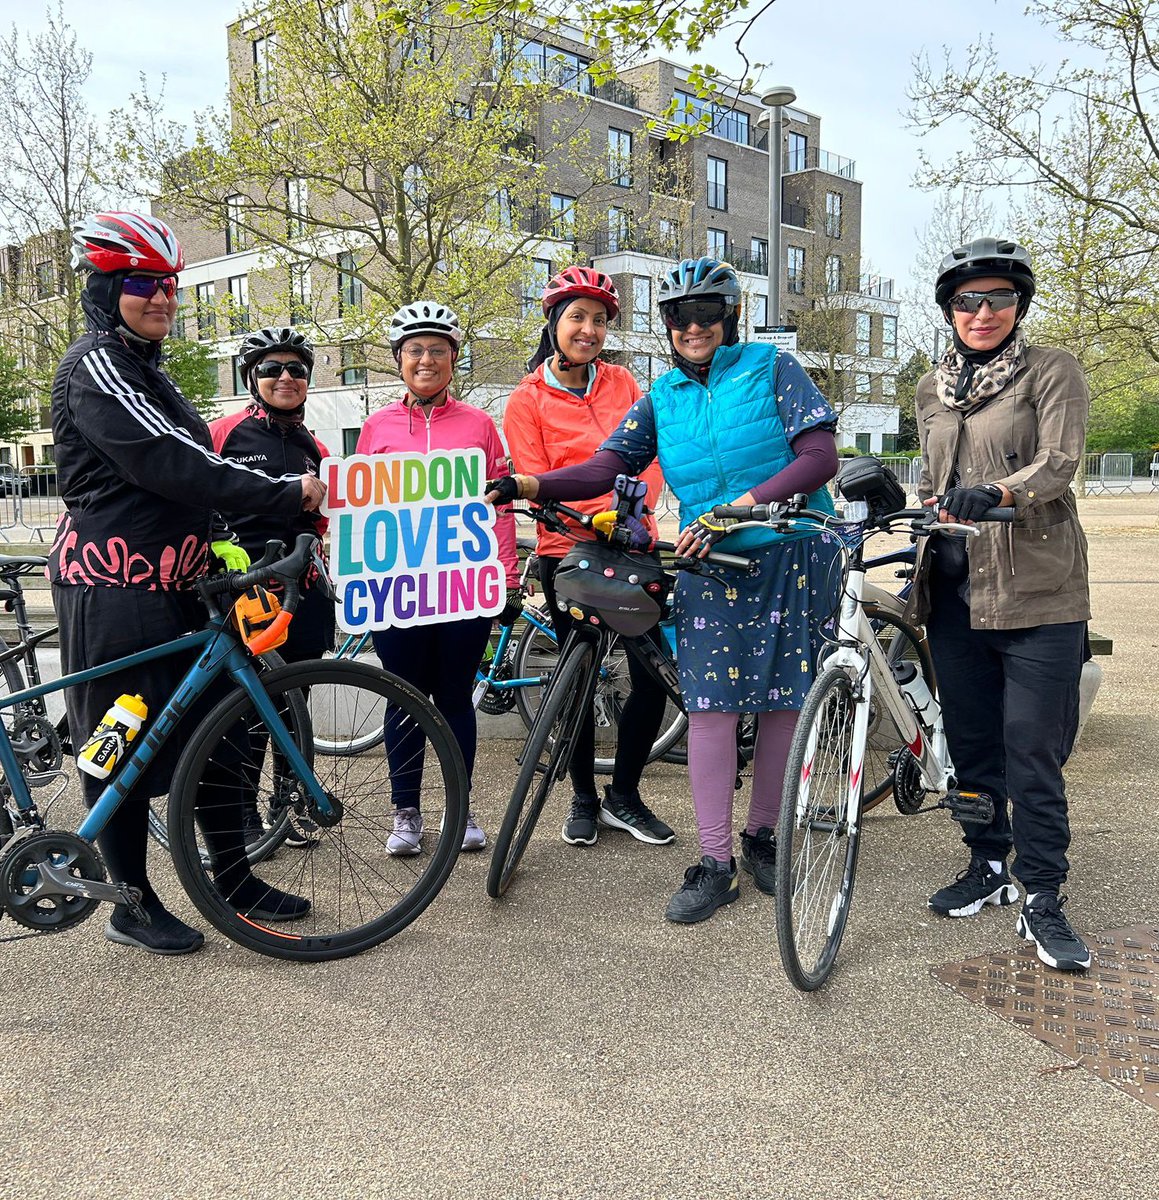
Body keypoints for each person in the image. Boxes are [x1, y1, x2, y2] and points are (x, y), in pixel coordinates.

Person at [487, 257, 841, 923]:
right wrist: (527, 485)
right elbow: (605, 465)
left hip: (792, 553)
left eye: (708, 313)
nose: (694, 326)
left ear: (728, 317)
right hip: (713, 562)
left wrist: (740, 506)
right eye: (679, 316)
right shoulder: (662, 397)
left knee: (780, 707)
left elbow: (818, 457)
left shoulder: (771, 368)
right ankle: (715, 864)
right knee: (709, 711)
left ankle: (761, 837)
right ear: (667, 325)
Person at [52, 211, 325, 954]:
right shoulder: (97, 365)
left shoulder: (148, 368)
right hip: (112, 585)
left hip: (178, 585)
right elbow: (172, 462)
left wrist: (233, 544)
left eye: (170, 285)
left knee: (227, 730)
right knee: (119, 743)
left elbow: (190, 487)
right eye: (143, 284)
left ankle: (231, 878)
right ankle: (128, 904)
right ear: (107, 289)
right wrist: (284, 494)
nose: (162, 298)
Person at [909, 237, 1093, 972]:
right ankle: (986, 862)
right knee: (974, 744)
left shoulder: (1052, 370)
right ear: (949, 309)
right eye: (965, 300)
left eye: (996, 298)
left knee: (1031, 749)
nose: (980, 312)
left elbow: (1059, 460)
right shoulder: (931, 388)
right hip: (953, 590)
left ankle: (1041, 892)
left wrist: (999, 492)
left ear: (1018, 305)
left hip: (1036, 590)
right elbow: (938, 477)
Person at [504, 265, 672, 848]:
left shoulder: (625, 384)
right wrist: (581, 514)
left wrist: (632, 508)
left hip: (630, 545)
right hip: (566, 550)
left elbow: (650, 457)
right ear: (554, 323)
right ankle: (583, 798)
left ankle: (624, 794)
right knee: (574, 683)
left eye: (599, 320)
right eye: (577, 317)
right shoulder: (526, 399)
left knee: (652, 677)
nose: (589, 329)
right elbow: (536, 476)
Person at [355, 300, 519, 855]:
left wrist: (506, 577)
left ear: (454, 358)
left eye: (438, 351)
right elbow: (360, 515)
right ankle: (406, 812)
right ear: (399, 360)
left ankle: (460, 806)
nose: (427, 360)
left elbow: (498, 505)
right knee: (403, 696)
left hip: (463, 587)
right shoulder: (375, 427)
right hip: (397, 587)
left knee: (452, 697)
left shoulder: (478, 424)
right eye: (415, 351)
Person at [210, 326, 336, 849]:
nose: (285, 377)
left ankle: (290, 802)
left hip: (298, 587)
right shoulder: (224, 433)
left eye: (296, 369)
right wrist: (218, 541)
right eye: (271, 369)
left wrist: (311, 537)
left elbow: (318, 517)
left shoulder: (316, 445)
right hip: (242, 586)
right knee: (241, 706)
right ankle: (239, 813)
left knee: (295, 700)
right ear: (250, 378)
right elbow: (197, 494)